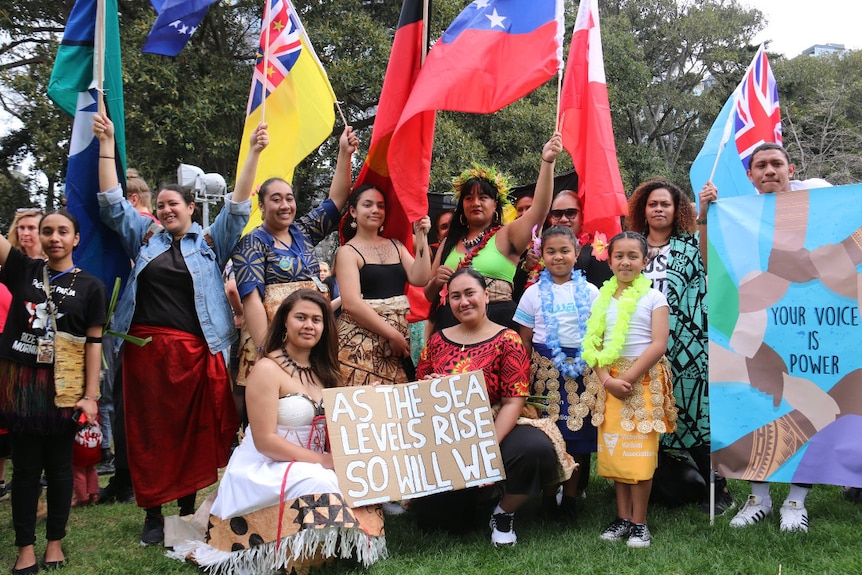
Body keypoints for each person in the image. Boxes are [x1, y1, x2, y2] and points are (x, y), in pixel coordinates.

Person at [94, 112, 255, 545]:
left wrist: (254, 152)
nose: (166, 210)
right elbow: (111, 201)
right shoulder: (143, 237)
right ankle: (151, 514)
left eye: (173, 204)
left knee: (190, 435)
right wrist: (107, 145)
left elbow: (238, 209)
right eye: (160, 204)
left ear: (188, 208)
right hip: (145, 355)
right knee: (149, 435)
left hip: (194, 355)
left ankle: (184, 513)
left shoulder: (208, 242)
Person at [171, 290, 386, 572]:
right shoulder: (266, 369)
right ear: (285, 321)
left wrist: (368, 397)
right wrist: (323, 461)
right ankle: (290, 552)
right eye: (301, 317)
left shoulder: (324, 371)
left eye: (316, 320)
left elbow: (339, 416)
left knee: (358, 477)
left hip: (313, 460)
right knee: (319, 482)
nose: (309, 325)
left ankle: (326, 549)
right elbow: (265, 441)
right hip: (269, 463)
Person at [699, 143, 817, 532]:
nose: (769, 170)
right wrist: (707, 215)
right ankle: (759, 498)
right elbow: (710, 261)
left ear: (791, 168)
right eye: (760, 165)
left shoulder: (816, 202)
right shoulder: (737, 214)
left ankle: (796, 502)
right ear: (750, 175)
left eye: (776, 164)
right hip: (753, 324)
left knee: (806, 405)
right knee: (755, 405)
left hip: (805, 324)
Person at [415, 268, 571, 547]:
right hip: (448, 432)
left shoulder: (507, 340)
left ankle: (504, 510)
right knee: (438, 520)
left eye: (470, 293)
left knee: (535, 450)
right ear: (448, 302)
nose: (463, 302)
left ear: (485, 295)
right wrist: (433, 387)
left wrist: (485, 451)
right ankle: (483, 495)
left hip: (496, 422)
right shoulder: (438, 340)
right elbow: (418, 393)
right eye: (455, 296)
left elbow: (514, 400)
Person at [0, 210, 107, 573]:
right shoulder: (22, 269)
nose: (54, 237)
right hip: (22, 389)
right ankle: (25, 548)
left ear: (76, 239)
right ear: (38, 237)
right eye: (47, 231)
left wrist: (90, 396)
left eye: (63, 231)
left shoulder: (91, 286)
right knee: (26, 471)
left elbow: (94, 343)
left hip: (65, 391)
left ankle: (55, 544)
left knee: (61, 469)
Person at [625, 179, 730, 513]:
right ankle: (649, 482)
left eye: (665, 204)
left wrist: (704, 212)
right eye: (652, 204)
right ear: (643, 209)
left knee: (694, 416)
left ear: (676, 209)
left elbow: (709, 260)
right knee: (648, 412)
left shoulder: (687, 244)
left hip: (686, 347)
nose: (658, 209)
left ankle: (719, 490)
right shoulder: (633, 246)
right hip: (641, 344)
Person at [232, 126, 359, 384]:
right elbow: (252, 301)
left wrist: (344, 153)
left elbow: (336, 200)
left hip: (310, 340)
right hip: (272, 342)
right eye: (276, 199)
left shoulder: (302, 231)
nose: (285, 206)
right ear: (262, 205)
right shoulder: (253, 242)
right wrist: (268, 353)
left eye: (289, 198)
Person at [581, 231, 676, 548]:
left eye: (633, 256)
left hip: (643, 380)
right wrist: (607, 380)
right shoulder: (601, 299)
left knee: (640, 456)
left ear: (645, 261)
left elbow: (658, 344)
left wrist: (629, 378)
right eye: (619, 255)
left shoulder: (654, 298)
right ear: (608, 260)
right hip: (609, 382)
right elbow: (593, 344)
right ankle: (622, 517)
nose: (625, 261)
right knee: (617, 456)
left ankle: (640, 522)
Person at [424, 133, 562, 331]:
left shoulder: (507, 236)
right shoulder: (449, 242)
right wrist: (436, 281)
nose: (476, 203)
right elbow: (429, 295)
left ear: (495, 204)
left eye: (483, 197)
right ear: (462, 205)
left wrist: (547, 162)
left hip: (497, 329)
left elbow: (539, 209)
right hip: (450, 330)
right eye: (469, 198)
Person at [514, 226, 599, 520]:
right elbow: (524, 340)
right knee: (551, 435)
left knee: (576, 434)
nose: (558, 256)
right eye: (551, 251)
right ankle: (549, 498)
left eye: (565, 250)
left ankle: (572, 498)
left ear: (577, 254)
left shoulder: (590, 291)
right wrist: (525, 375)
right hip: (545, 370)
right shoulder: (533, 293)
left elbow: (598, 334)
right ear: (542, 255)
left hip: (582, 369)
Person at [335, 185, 431, 386]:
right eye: (367, 205)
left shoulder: (396, 245)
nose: (375, 210)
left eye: (380, 206)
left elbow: (421, 278)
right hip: (360, 343)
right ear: (353, 211)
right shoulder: (347, 252)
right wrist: (392, 334)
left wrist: (422, 236)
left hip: (396, 343)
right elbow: (351, 303)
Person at [1, 208, 48, 505]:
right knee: (22, 445)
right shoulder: (16, 267)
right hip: (17, 366)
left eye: (33, 227)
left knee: (51, 447)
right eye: (21, 227)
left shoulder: (68, 271)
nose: (25, 233)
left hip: (52, 369)